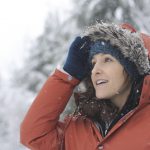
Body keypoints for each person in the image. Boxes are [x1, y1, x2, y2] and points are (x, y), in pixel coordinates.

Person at [20, 22, 150, 150]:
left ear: (133, 68)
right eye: (93, 63)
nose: (95, 70)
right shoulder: (77, 127)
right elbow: (33, 136)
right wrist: (68, 76)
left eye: (107, 60)